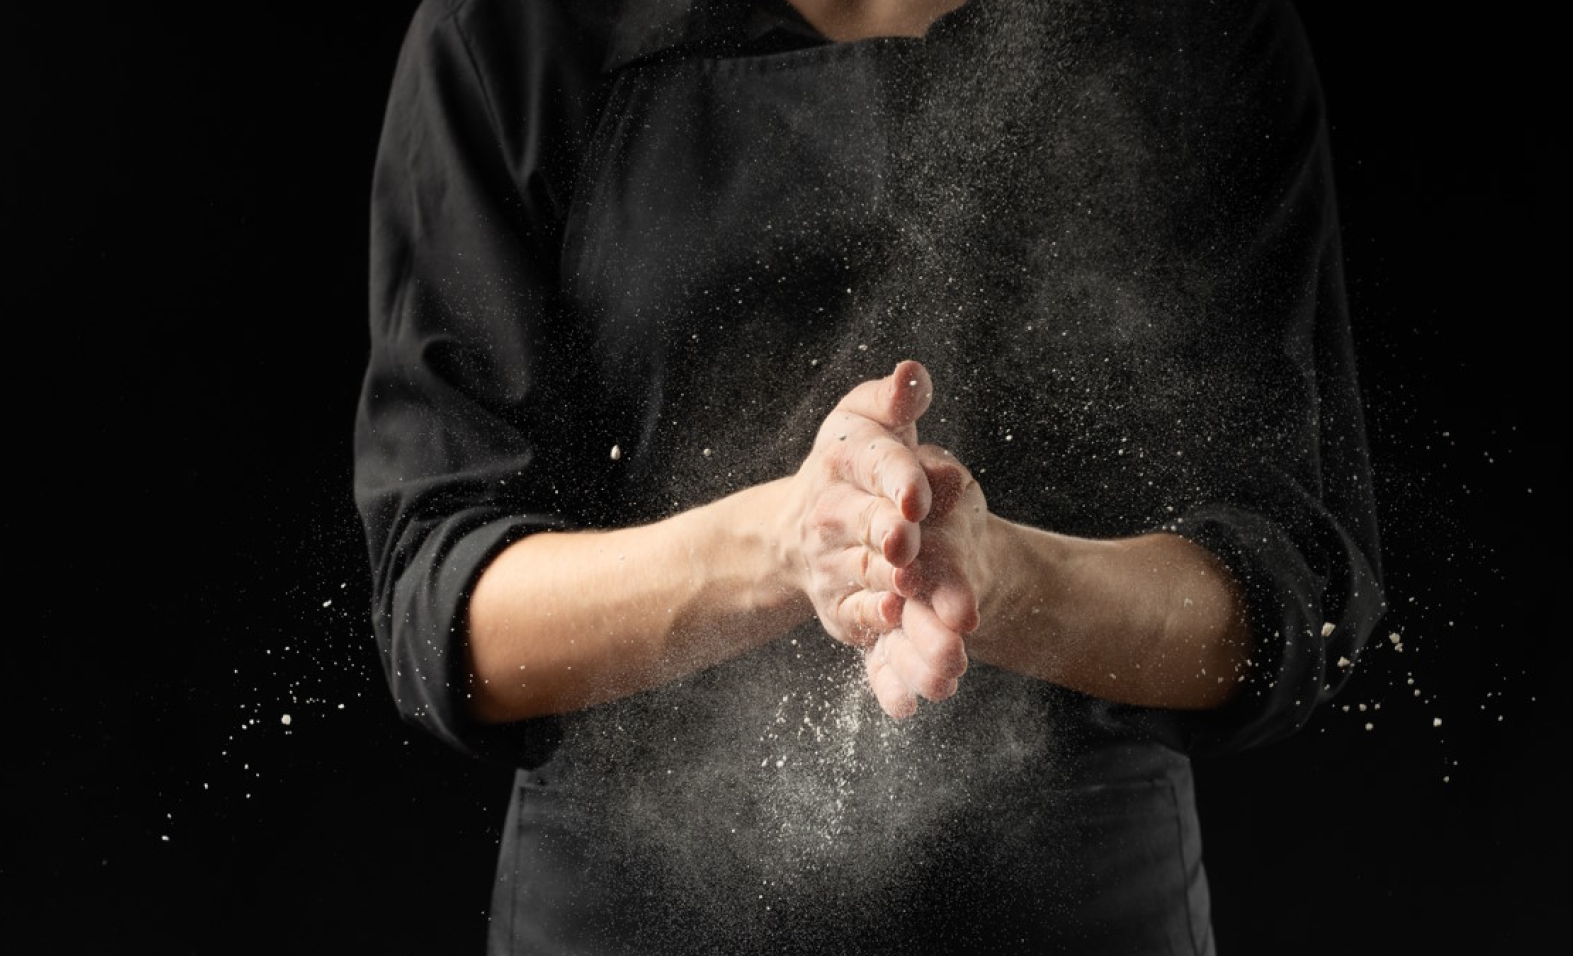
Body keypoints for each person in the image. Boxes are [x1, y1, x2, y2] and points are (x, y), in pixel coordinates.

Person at [353, 1, 1387, 953]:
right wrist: (788, 546)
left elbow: (1291, 588)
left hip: (1078, 912)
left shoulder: (1196, 28)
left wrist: (1002, 582)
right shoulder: (508, 29)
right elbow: (436, 608)